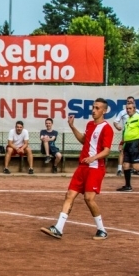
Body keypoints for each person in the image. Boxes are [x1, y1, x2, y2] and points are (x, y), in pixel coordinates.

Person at [40, 98, 114, 241]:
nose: (93, 110)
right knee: (69, 195)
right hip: (83, 167)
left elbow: (107, 151)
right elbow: (84, 140)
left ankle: (102, 230)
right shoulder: (89, 124)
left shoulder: (107, 128)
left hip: (95, 167)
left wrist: (93, 158)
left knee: (89, 198)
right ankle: (58, 228)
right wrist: (72, 127)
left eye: (97, 108)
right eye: (93, 107)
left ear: (104, 111)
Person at [112, 96, 139, 177]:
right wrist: (117, 126)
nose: (129, 103)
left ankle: (135, 168)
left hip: (136, 136)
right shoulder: (122, 112)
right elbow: (115, 121)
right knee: (122, 151)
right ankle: (119, 169)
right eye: (128, 101)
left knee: (134, 152)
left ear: (134, 103)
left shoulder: (138, 112)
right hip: (126, 135)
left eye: (131, 101)